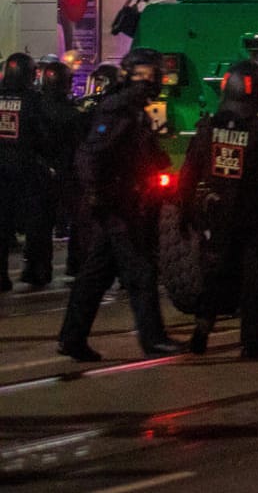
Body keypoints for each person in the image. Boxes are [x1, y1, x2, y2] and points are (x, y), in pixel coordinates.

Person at [57, 49, 181, 360]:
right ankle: (153, 340)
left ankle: (72, 338)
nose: (157, 82)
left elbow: (138, 151)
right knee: (140, 272)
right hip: (117, 204)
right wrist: (97, 196)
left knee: (96, 273)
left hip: (124, 201)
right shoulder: (120, 109)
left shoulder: (134, 109)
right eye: (153, 75)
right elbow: (91, 155)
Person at [179, 59, 258, 358]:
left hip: (215, 216)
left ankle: (200, 333)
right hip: (251, 216)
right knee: (254, 282)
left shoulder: (207, 128)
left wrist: (184, 212)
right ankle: (252, 343)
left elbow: (188, 173)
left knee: (215, 277)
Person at [0, 52, 51, 290]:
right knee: (36, 224)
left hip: (2, 169)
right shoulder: (32, 100)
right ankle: (34, 271)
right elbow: (42, 135)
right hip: (27, 168)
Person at [35, 58, 84, 279]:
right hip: (66, 172)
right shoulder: (71, 113)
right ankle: (75, 264)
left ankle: (38, 269)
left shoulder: (35, 105)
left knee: (41, 222)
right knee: (78, 220)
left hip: (40, 170)